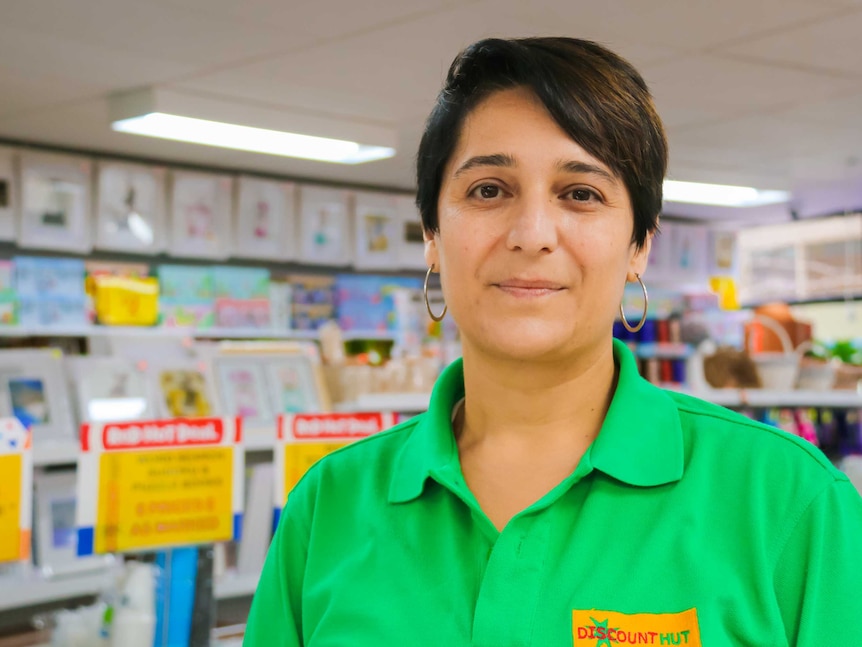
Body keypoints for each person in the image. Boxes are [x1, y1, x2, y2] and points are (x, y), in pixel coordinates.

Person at [244, 37, 862, 646]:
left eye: (581, 194)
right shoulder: (327, 508)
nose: (532, 233)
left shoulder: (787, 501)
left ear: (639, 245)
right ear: (432, 232)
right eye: (488, 190)